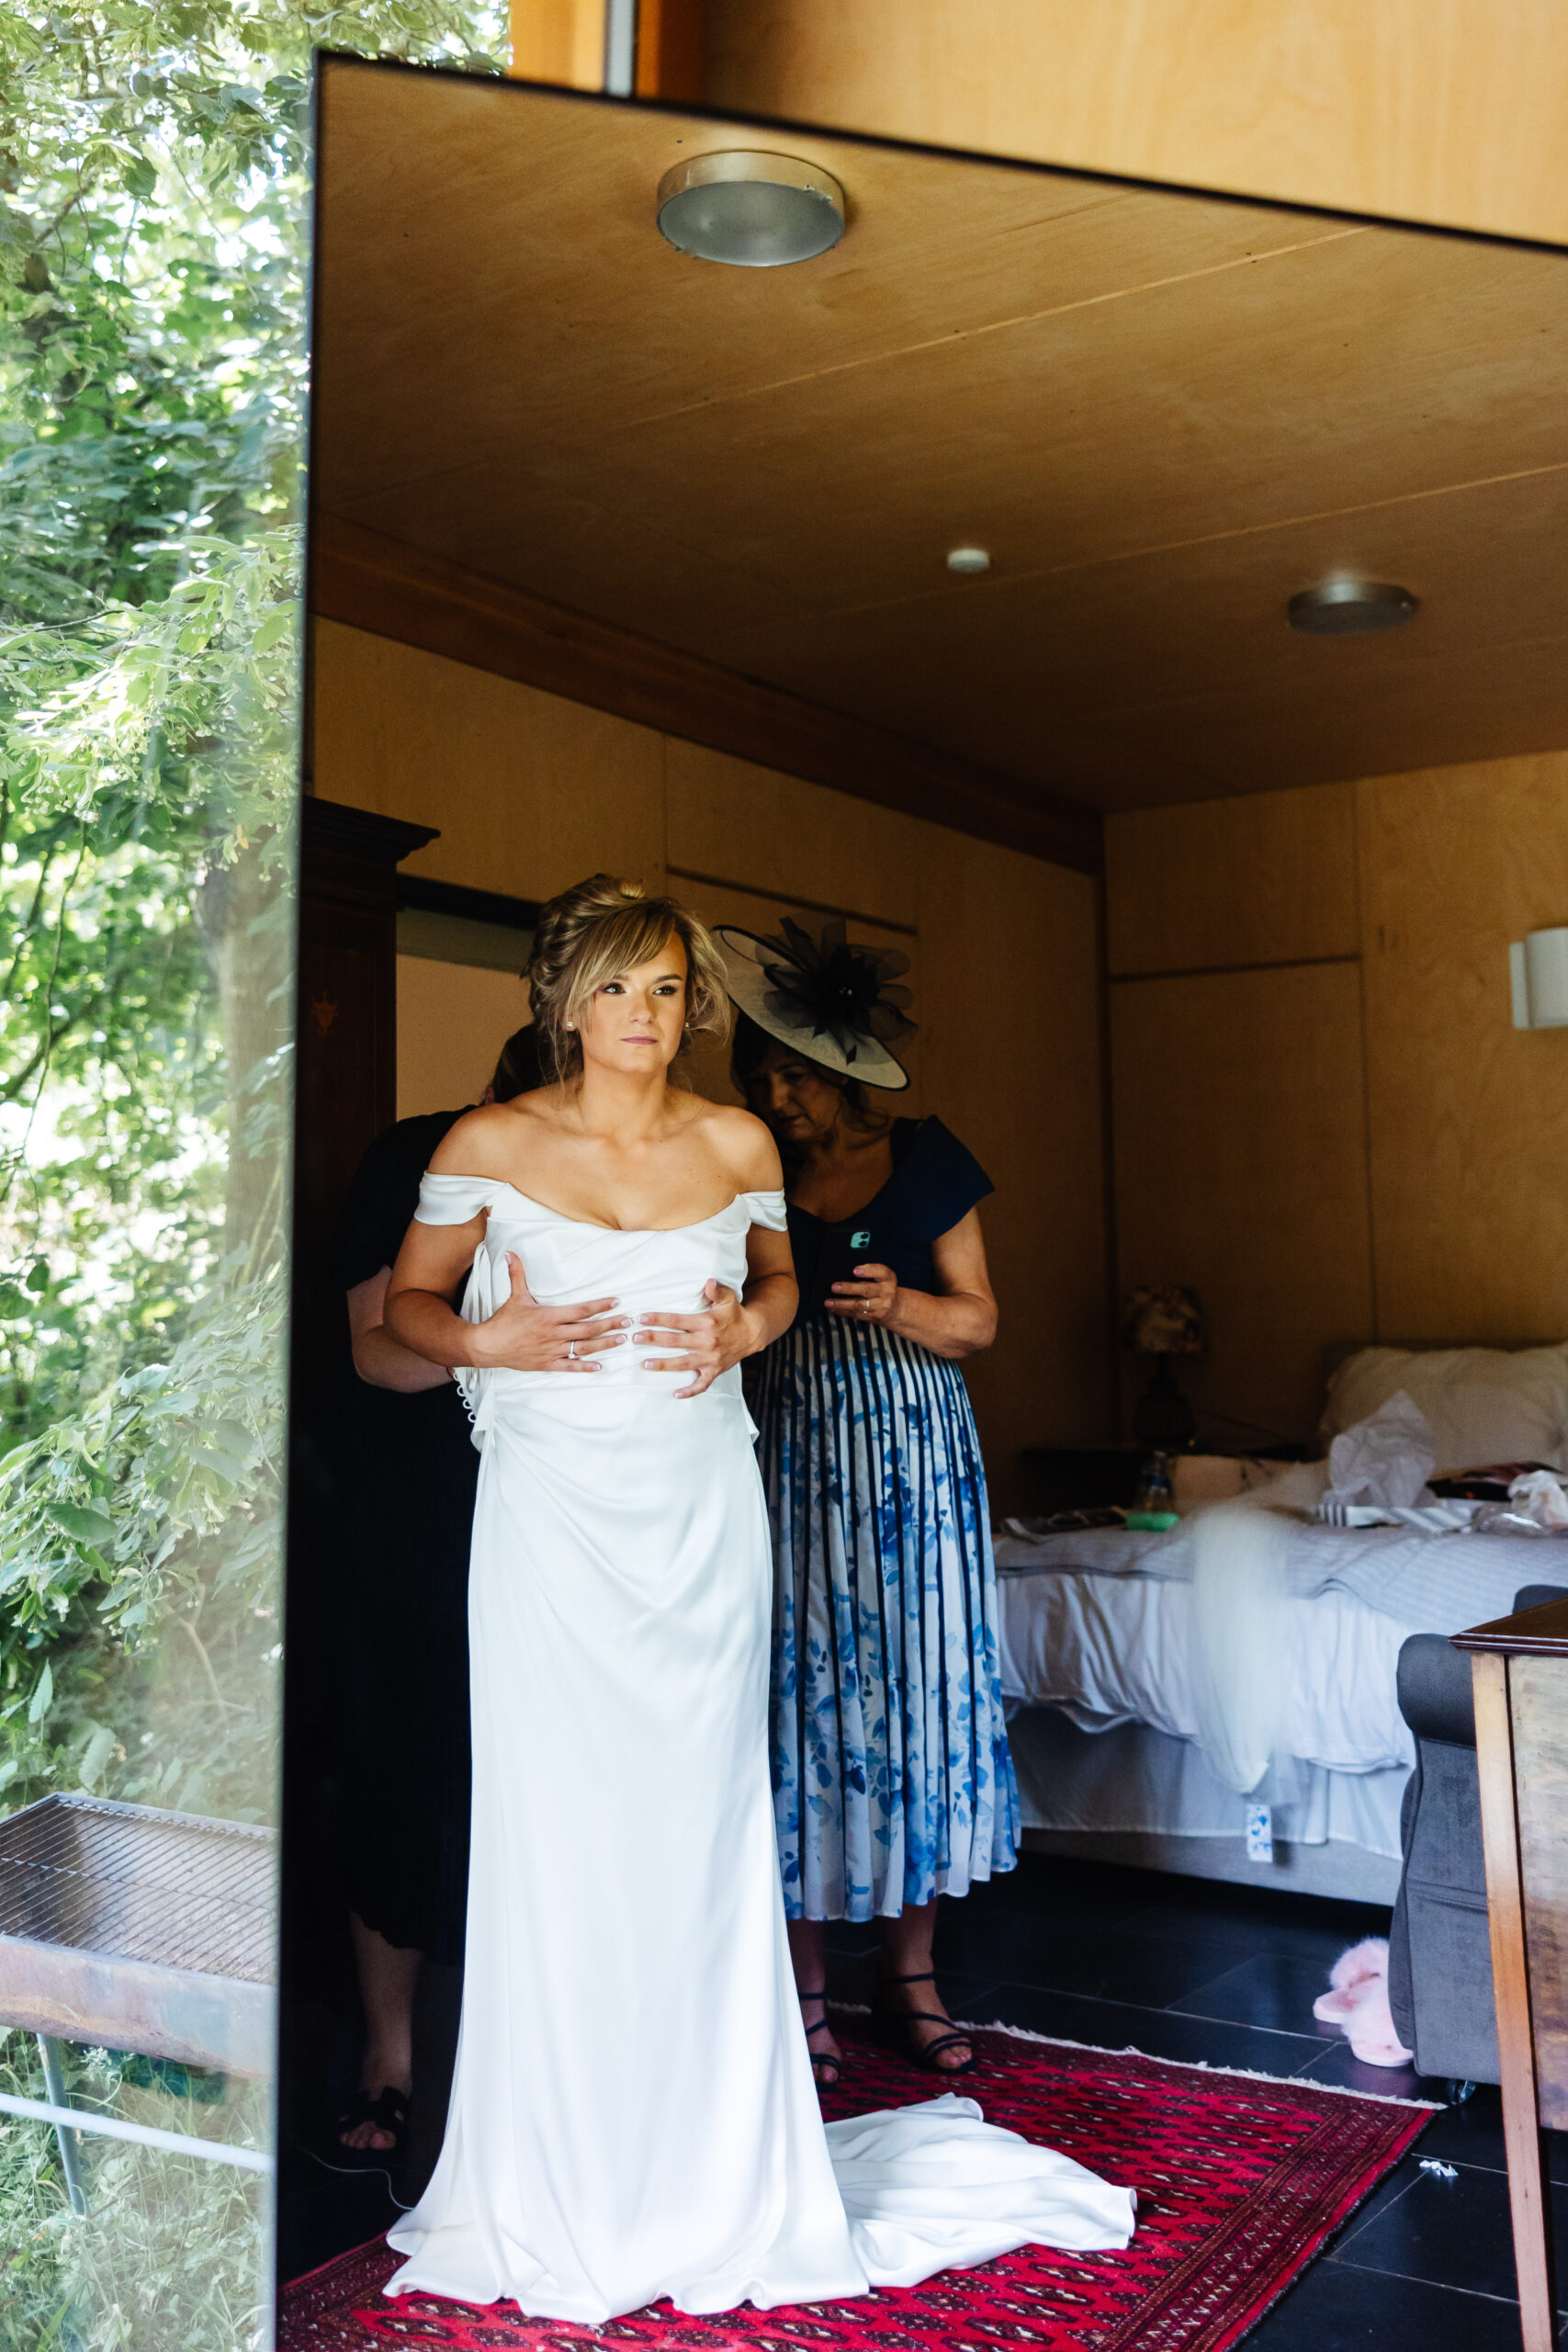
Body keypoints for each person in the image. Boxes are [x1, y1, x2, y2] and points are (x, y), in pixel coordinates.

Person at [378, 873, 1132, 2321]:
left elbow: (780, 1284)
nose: (644, 1017)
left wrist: (749, 1320)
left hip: (698, 1520)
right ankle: (559, 2166)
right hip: (548, 1527)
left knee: (695, 1822)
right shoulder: (486, 1141)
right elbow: (404, 1311)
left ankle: (724, 2156)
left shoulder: (734, 1142)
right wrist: (491, 1338)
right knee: (560, 1827)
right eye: (615, 988)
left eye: (665, 989)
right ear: (561, 999)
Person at [721, 917, 1019, 2091]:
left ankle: (911, 1976)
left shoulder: (927, 1159)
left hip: (912, 1457)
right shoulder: (747, 1167)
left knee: (915, 1690)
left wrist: (900, 1303)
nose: (775, 1095)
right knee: (798, 1704)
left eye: (793, 1074)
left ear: (845, 1074)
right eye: (762, 1075)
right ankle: (801, 1987)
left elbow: (980, 1318)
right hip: (787, 1449)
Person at [332, 1022, 547, 2159]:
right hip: (423, 1519)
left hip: (567, 1520)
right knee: (408, 1778)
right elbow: (372, 1345)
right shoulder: (419, 1157)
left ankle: (545, 2059)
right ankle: (390, 2059)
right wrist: (494, 1346)